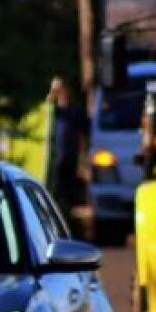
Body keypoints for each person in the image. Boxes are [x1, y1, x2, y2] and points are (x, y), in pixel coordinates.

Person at [46, 76, 86, 215]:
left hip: (70, 156)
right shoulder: (53, 111)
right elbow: (48, 104)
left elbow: (81, 136)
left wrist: (82, 160)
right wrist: (53, 92)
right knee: (54, 188)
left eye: (61, 88)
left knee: (68, 192)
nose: (60, 92)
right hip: (55, 157)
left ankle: (66, 215)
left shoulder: (76, 110)